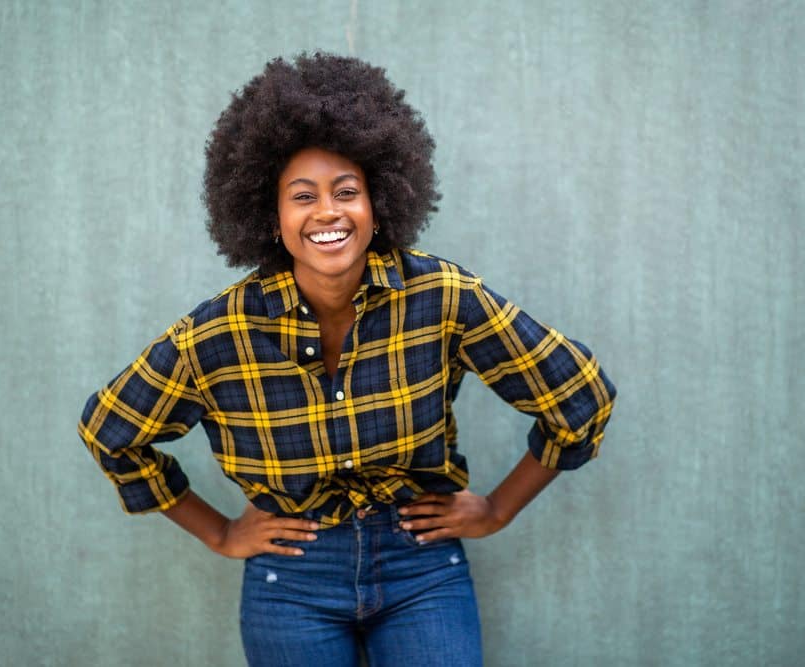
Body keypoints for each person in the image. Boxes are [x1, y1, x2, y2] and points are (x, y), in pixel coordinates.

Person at [78, 52, 617, 667]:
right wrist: (220, 532)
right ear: (270, 214)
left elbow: (580, 398)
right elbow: (111, 434)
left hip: (422, 568)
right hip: (293, 578)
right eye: (302, 195)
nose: (327, 212)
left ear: (379, 200)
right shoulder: (219, 332)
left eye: (347, 191)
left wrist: (497, 509)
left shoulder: (440, 297)